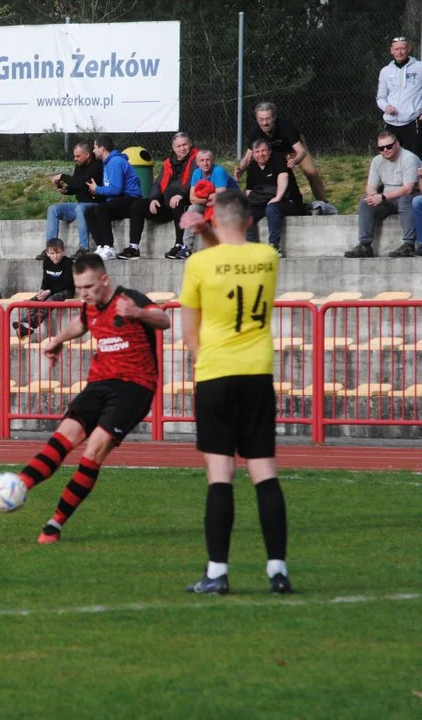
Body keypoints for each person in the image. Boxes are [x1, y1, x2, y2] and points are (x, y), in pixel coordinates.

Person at [0, 253, 170, 544]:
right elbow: (80, 325)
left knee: (93, 450)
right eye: (79, 288)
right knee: (61, 439)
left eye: (89, 287)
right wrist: (56, 340)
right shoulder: (89, 306)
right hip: (99, 383)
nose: (84, 293)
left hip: (135, 388)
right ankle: (19, 484)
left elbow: (164, 319)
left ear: (104, 280)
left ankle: (54, 525)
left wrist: (138, 314)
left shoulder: (130, 299)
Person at [177, 189, 292, 595]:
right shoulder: (268, 258)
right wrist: (211, 230)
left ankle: (217, 572)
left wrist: (205, 231)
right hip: (257, 373)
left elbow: (190, 332)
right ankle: (277, 570)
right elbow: (235, 258)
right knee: (264, 472)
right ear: (248, 221)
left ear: (215, 218)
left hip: (216, 374)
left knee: (220, 475)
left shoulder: (198, 264)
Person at [234, 102, 329, 205]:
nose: (264, 123)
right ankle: (280, 200)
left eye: (268, 119)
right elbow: (248, 157)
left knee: (311, 173)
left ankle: (323, 202)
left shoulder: (286, 127)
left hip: (293, 149)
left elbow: (301, 152)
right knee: (275, 174)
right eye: (261, 119)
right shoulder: (256, 132)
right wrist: (240, 169)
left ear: (274, 117)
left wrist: (295, 160)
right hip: (273, 151)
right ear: (257, 119)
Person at [345, 130, 421, 258]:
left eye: (388, 146)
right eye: (381, 148)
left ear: (397, 144)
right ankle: (365, 245)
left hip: (408, 197)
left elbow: (408, 189)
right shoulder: (377, 161)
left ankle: (408, 245)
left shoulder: (409, 158)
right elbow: (370, 186)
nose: (385, 150)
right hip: (387, 198)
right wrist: (373, 195)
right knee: (365, 200)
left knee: (405, 199)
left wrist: (383, 196)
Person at [123, 132, 198, 259]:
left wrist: (181, 195)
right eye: (179, 146)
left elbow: (193, 181)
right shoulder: (168, 162)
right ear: (174, 148)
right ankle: (133, 247)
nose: (182, 148)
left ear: (190, 144)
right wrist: (153, 199)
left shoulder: (197, 159)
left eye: (185, 145)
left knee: (176, 199)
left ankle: (179, 245)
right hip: (165, 203)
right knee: (137, 205)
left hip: (183, 200)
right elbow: (158, 183)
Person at [169, 149, 239, 259]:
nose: (205, 163)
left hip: (231, 201)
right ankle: (187, 248)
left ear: (213, 161)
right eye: (202, 160)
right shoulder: (197, 173)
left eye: (208, 160)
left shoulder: (218, 171)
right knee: (192, 209)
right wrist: (208, 198)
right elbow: (192, 199)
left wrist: (208, 198)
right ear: (197, 162)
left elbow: (220, 197)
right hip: (208, 202)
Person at [87, 135, 143, 261]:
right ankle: (101, 246)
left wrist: (98, 189)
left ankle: (110, 248)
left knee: (101, 209)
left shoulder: (115, 162)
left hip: (130, 199)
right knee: (89, 212)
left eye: (95, 147)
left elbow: (116, 189)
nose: (93, 151)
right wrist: (99, 191)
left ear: (102, 148)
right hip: (119, 199)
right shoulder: (107, 163)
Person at [244, 139, 303, 257]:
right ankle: (252, 246)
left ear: (269, 151)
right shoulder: (252, 167)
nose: (261, 154)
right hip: (263, 202)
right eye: (257, 152)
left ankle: (275, 246)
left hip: (286, 201)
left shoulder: (278, 159)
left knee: (272, 208)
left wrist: (278, 197)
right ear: (253, 154)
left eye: (263, 151)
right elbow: (249, 191)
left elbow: (283, 177)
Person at [44, 140, 101, 258]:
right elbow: (75, 186)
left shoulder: (97, 165)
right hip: (80, 204)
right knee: (53, 209)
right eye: (74, 156)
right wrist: (66, 189)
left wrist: (63, 176)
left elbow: (82, 183)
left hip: (94, 204)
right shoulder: (79, 166)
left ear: (87, 155)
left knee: (80, 208)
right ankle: (50, 248)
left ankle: (84, 248)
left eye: (78, 156)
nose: (75, 158)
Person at [13, 237, 75, 338]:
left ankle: (30, 324)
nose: (55, 256)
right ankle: (25, 325)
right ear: (47, 253)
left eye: (58, 252)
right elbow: (45, 279)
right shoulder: (46, 261)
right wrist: (42, 290)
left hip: (66, 290)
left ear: (63, 251)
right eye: (52, 253)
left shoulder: (68, 263)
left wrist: (49, 292)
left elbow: (67, 284)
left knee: (49, 302)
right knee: (33, 301)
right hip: (50, 291)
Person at [376, 37, 422, 155]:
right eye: (396, 49)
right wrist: (386, 107)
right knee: (391, 158)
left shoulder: (419, 67)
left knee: (415, 158)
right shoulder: (385, 71)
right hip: (391, 123)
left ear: (409, 49)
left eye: (403, 48)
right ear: (392, 51)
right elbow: (380, 97)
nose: (400, 52)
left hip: (413, 121)